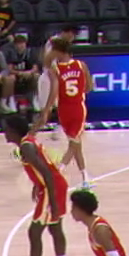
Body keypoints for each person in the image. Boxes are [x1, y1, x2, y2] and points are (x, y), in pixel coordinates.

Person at [3, 115, 68, 256]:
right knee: (55, 228)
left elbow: (47, 173)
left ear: (14, 131)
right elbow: (42, 169)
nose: (4, 133)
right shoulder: (27, 142)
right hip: (55, 185)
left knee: (34, 231)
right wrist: (36, 185)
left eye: (6, 129)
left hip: (51, 187)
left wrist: (52, 201)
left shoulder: (26, 147)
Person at [35, 37, 93, 189]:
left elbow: (54, 91)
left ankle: (82, 176)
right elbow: (89, 87)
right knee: (75, 143)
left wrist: (47, 109)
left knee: (75, 143)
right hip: (78, 108)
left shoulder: (55, 69)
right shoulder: (81, 65)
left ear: (58, 51)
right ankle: (64, 172)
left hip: (63, 109)